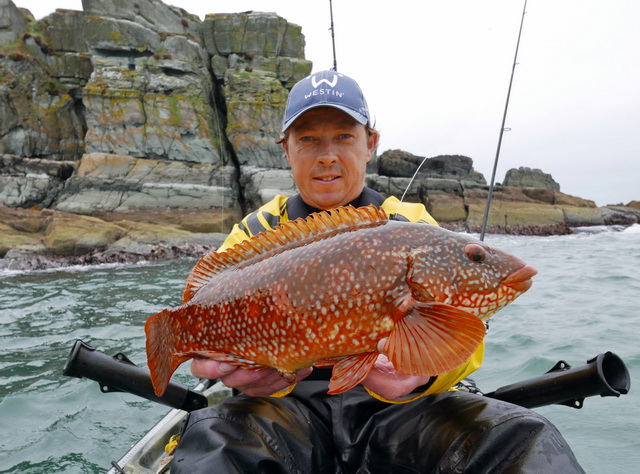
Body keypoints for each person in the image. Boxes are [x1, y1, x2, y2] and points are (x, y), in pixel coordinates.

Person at [170, 70, 584, 473]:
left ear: (371, 144)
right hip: (282, 406)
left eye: (344, 137)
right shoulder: (254, 234)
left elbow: (466, 337)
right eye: (309, 139)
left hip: (399, 413)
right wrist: (233, 370)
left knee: (520, 438)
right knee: (214, 440)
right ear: (286, 149)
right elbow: (205, 306)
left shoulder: (411, 225)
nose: (327, 155)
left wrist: (423, 377)